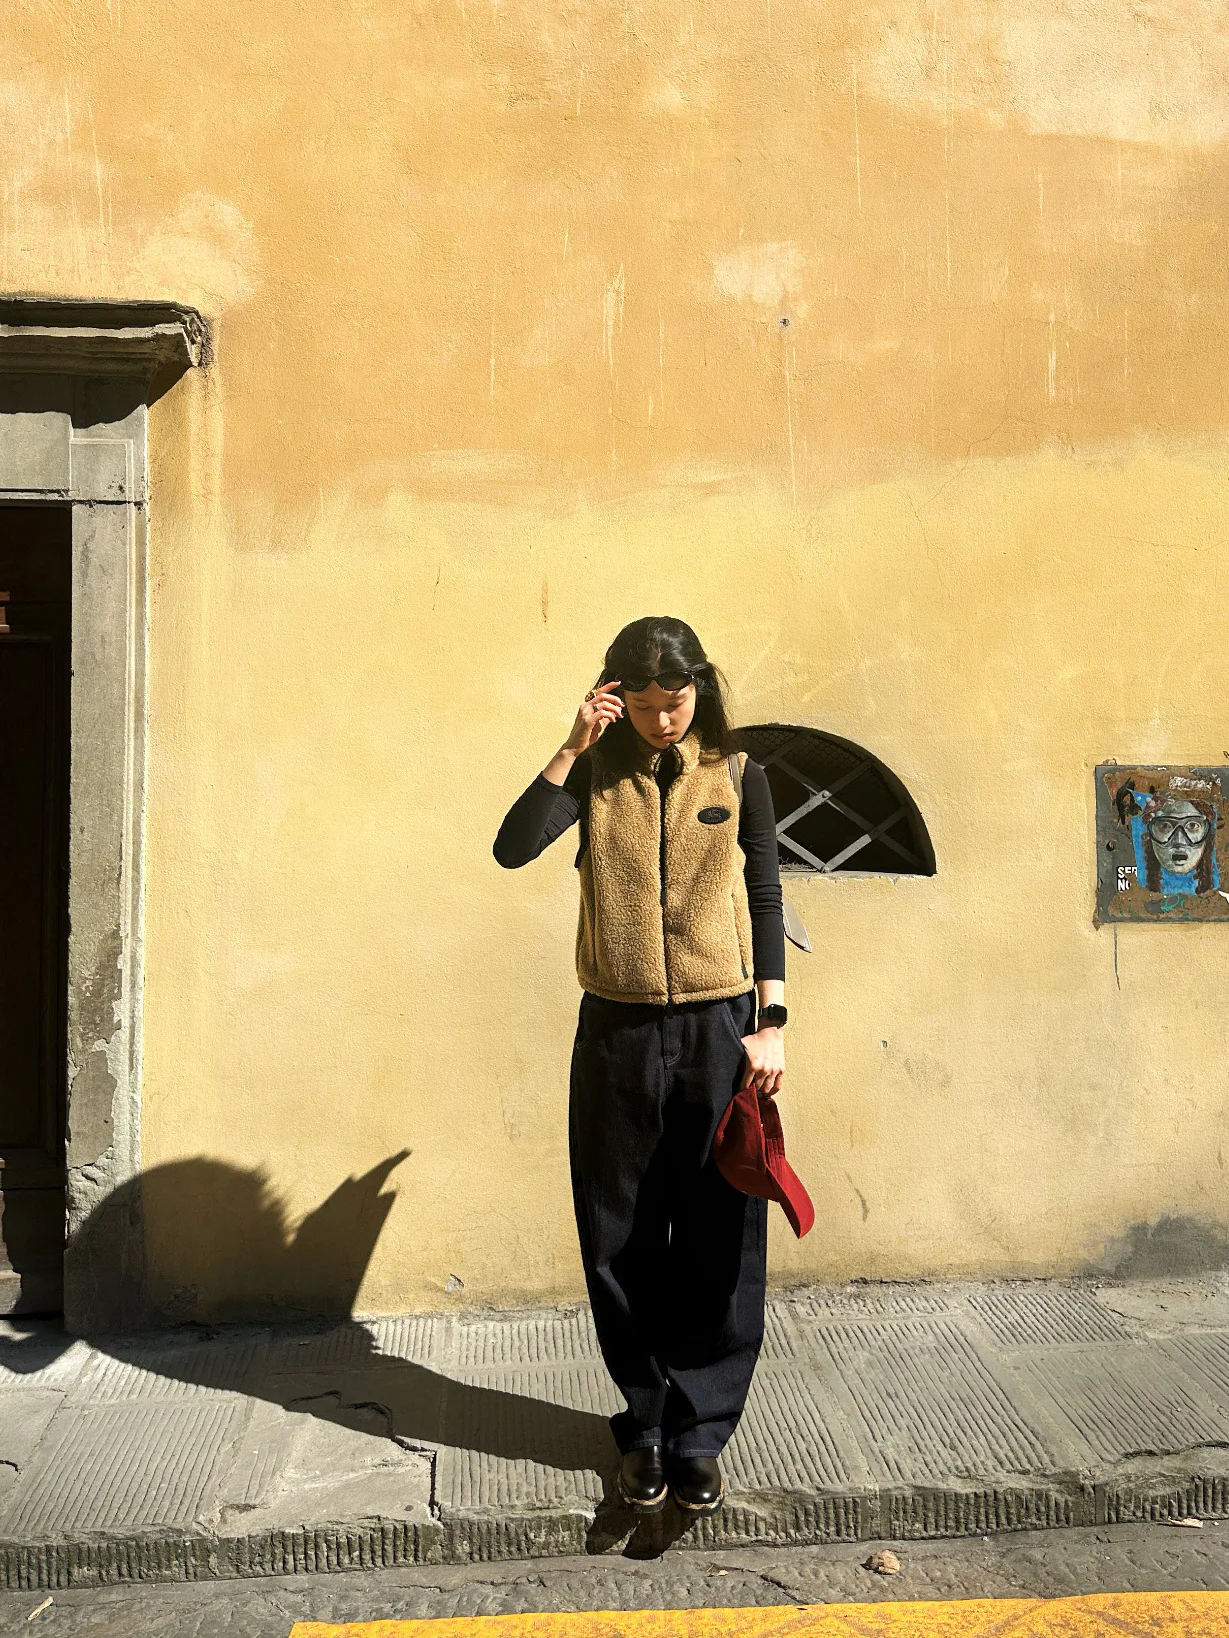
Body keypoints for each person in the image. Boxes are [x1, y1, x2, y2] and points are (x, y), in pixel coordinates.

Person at [494, 615, 787, 1516]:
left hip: (719, 1026)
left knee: (718, 1235)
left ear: (700, 690)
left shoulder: (737, 774)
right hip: (615, 1030)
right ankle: (646, 1422)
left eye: (679, 701)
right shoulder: (593, 773)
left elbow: (768, 893)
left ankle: (703, 1433)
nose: (665, 721)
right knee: (618, 1233)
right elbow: (512, 846)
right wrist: (569, 744)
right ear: (616, 698)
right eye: (648, 705)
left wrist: (771, 1019)